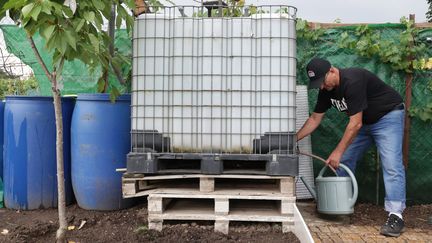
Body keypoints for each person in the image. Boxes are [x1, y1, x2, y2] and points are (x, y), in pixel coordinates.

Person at [296, 57, 406, 237]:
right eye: (318, 84)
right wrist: (294, 139)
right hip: (363, 123)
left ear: (332, 71)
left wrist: (337, 151)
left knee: (391, 164)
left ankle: (396, 215)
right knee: (344, 161)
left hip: (388, 117)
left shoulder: (353, 80)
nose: (322, 87)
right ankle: (341, 205)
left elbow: (355, 124)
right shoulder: (326, 90)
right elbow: (315, 119)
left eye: (322, 81)